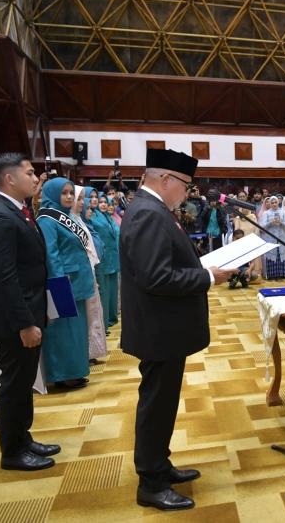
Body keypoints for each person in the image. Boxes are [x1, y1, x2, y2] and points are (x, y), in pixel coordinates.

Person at [121, 148, 235, 511]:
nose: (188, 193)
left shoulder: (153, 210)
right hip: (159, 328)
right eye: (186, 185)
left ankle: (160, 465)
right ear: (165, 180)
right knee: (156, 404)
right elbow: (156, 276)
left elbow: (164, 263)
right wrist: (206, 276)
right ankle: (151, 483)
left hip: (163, 326)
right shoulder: (149, 214)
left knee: (163, 401)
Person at [0, 152, 59, 470]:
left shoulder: (20, 211)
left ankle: (22, 438)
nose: (35, 178)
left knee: (24, 381)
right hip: (11, 319)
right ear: (9, 179)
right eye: (29, 173)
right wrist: (26, 322)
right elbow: (4, 277)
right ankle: (12, 452)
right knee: (13, 385)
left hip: (27, 311)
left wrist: (42, 311)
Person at [36, 178, 95, 390]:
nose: (69, 197)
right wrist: (59, 286)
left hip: (77, 281)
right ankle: (62, 375)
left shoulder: (68, 216)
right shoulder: (47, 219)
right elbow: (51, 256)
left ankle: (76, 370)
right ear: (52, 194)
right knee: (62, 331)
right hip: (62, 283)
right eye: (64, 193)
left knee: (76, 330)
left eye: (71, 192)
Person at [72, 186, 107, 365]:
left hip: (90, 273)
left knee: (93, 313)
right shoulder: (67, 220)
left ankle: (92, 352)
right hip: (77, 277)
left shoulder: (80, 220)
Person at [91, 195, 120, 328]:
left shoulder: (109, 218)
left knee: (112, 292)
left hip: (113, 258)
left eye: (105, 202)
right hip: (102, 259)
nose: (103, 204)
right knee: (105, 292)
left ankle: (110, 319)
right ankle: (105, 322)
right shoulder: (92, 217)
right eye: (101, 202)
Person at [260, 196, 285, 281]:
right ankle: (272, 276)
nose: (274, 204)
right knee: (272, 256)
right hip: (270, 237)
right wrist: (270, 222)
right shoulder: (266, 213)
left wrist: (281, 222)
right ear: (269, 204)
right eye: (272, 203)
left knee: (280, 255)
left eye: (275, 202)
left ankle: (280, 276)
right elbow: (262, 227)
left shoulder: (283, 212)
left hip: (281, 237)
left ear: (278, 203)